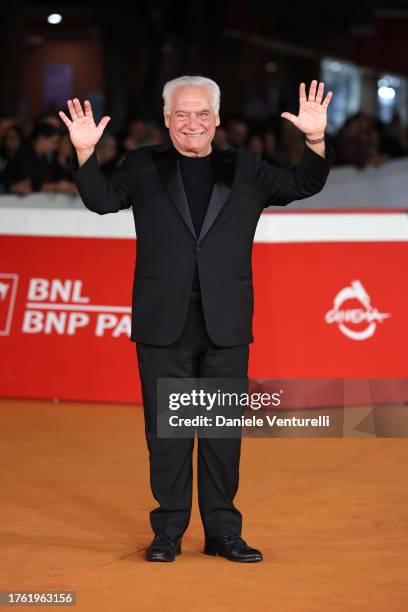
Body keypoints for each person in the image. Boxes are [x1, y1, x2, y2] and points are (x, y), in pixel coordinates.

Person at [59, 75, 334, 564]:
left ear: (217, 118)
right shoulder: (144, 166)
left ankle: (223, 533)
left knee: (221, 435)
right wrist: (84, 154)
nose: (192, 123)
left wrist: (314, 141)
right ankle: (168, 532)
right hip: (164, 322)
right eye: (181, 113)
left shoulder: (245, 168)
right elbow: (101, 200)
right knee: (167, 433)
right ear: (167, 119)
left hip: (224, 322)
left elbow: (302, 183)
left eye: (202, 113)